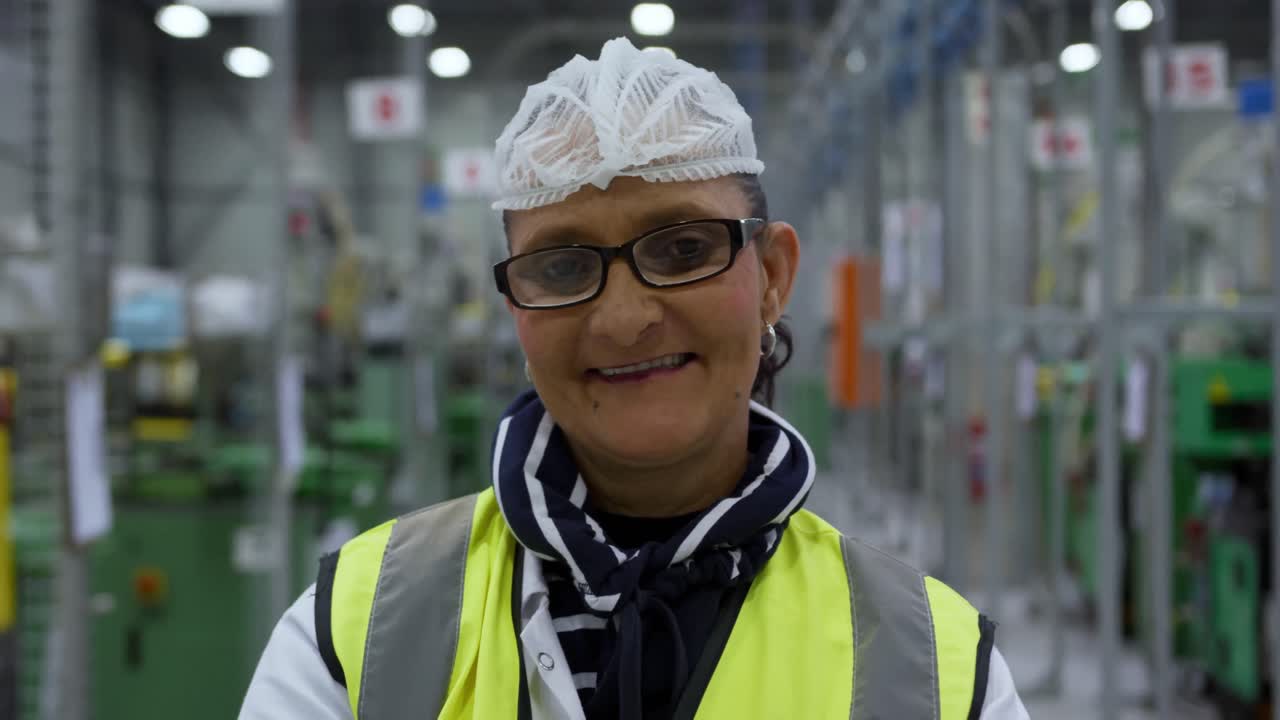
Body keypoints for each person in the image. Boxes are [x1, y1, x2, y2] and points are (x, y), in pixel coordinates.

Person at [240, 37, 1029, 720]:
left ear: (774, 277)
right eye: (561, 264)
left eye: (684, 249)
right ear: (516, 304)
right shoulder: (352, 637)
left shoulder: (936, 674)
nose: (624, 318)